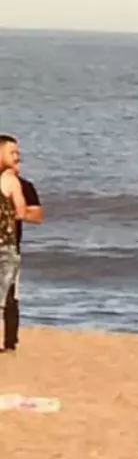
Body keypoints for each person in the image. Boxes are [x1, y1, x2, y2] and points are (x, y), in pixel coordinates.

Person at [1, 136, 43, 352]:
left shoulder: (24, 185)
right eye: (12, 153)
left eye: (17, 154)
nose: (17, 157)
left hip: (10, 245)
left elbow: (36, 216)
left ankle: (10, 342)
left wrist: (15, 211)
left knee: (9, 295)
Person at [0, 140, 28, 335]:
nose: (17, 156)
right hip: (5, 245)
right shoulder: (10, 181)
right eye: (12, 153)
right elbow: (21, 211)